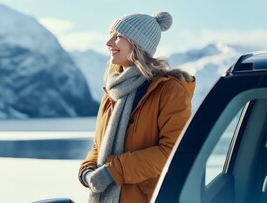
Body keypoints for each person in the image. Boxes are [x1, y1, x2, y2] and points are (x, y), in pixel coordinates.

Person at [78, 11, 195, 203]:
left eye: (118, 37)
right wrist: (87, 170)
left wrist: (112, 172)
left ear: (137, 44)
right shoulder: (112, 93)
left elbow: (172, 152)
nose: (108, 43)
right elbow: (99, 145)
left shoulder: (169, 91)